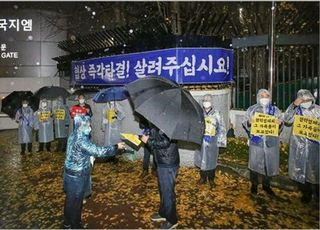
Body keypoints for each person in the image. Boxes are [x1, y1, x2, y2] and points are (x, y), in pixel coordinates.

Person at [63, 115, 126, 229]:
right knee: (77, 202)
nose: (90, 128)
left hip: (69, 173)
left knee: (70, 200)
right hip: (77, 176)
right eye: (87, 125)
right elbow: (99, 151)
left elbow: (76, 153)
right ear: (81, 126)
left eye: (89, 125)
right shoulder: (82, 140)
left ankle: (67, 223)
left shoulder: (73, 135)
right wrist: (116, 147)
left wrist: (88, 157)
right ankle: (75, 225)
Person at [242, 89, 283, 195]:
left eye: (267, 96)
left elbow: (281, 124)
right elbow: (245, 122)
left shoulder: (275, 110)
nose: (264, 98)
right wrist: (249, 122)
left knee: (268, 164)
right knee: (254, 164)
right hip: (257, 141)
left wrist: (280, 124)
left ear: (270, 97)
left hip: (270, 142)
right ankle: (254, 185)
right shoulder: (252, 109)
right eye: (262, 96)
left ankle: (266, 185)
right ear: (258, 97)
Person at [283, 89, 319, 203]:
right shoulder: (296, 111)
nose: (305, 101)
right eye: (302, 99)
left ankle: (317, 193)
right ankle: (306, 193)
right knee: (300, 170)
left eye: (307, 99)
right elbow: (287, 119)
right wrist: (294, 105)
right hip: (299, 146)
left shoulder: (318, 110)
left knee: (315, 170)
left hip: (315, 146)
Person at [141, 125, 179, 229]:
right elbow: (158, 137)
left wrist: (148, 141)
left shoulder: (169, 123)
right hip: (162, 161)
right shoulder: (159, 122)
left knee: (167, 192)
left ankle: (172, 220)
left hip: (168, 163)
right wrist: (147, 137)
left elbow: (166, 142)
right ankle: (163, 213)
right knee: (163, 190)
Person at [194, 94, 226, 188]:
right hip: (201, 141)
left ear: (212, 102)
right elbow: (195, 126)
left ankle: (211, 179)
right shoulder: (199, 113)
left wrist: (220, 141)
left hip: (213, 141)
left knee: (211, 160)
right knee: (202, 159)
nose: (206, 102)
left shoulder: (217, 113)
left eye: (208, 100)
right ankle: (203, 178)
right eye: (204, 100)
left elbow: (222, 127)